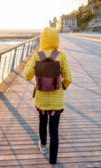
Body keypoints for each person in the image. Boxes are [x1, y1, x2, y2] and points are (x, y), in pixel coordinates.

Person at [24, 27, 72, 165]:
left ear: (42, 39)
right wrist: (62, 87)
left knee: (42, 122)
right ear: (56, 39)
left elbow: (27, 76)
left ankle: (43, 146)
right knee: (54, 131)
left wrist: (28, 64)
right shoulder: (61, 56)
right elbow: (69, 78)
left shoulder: (37, 56)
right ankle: (52, 161)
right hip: (56, 102)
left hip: (41, 101)